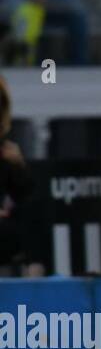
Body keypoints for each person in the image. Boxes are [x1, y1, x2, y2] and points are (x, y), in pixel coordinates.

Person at [0, 75, 46, 276]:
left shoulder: (5, 153)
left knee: (30, 217)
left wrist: (17, 166)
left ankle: (34, 275)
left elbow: (30, 199)